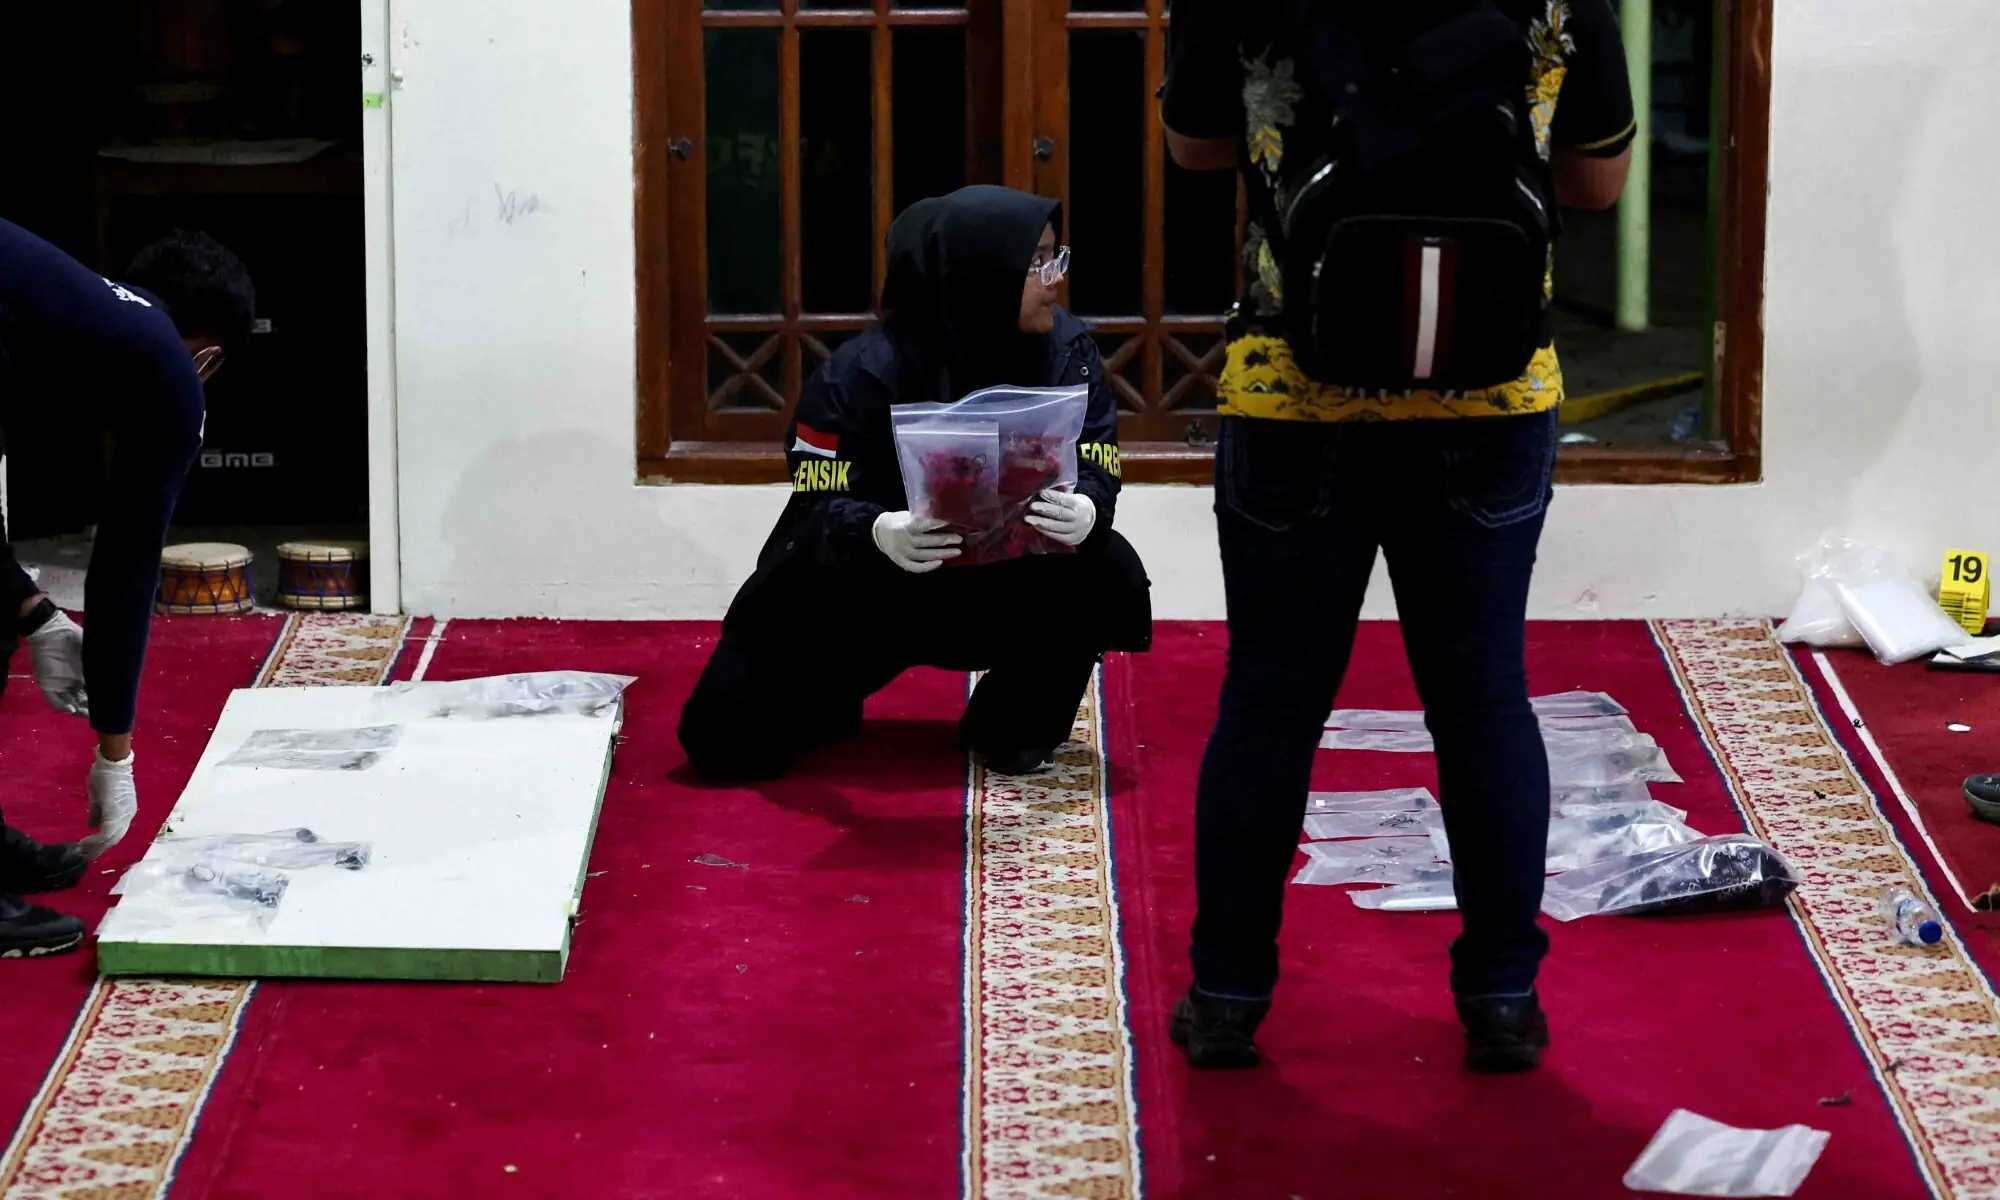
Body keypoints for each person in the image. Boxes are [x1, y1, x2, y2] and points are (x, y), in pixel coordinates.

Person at [1162, 0, 1635, 1072]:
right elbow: (1595, 181)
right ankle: (1501, 998)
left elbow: (1198, 148)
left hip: (1292, 385)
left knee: (1270, 703)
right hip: (1492, 388)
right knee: (1482, 701)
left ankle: (1228, 994)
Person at [679, 185, 1151, 782]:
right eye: (1035, 262)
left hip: (1009, 580)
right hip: (875, 586)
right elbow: (818, 494)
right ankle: (823, 695)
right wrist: (878, 529)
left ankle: (1014, 721)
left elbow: (1098, 455)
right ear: (978, 273)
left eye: (1055, 256)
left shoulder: (1066, 350)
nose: (1055, 278)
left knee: (1106, 564)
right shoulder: (862, 371)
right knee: (721, 741)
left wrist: (1090, 505)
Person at [0, 221, 255, 956]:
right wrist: (116, 752)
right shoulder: (169, 371)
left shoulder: (64, 308)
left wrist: (33, 613)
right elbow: (127, 565)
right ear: (207, 356)